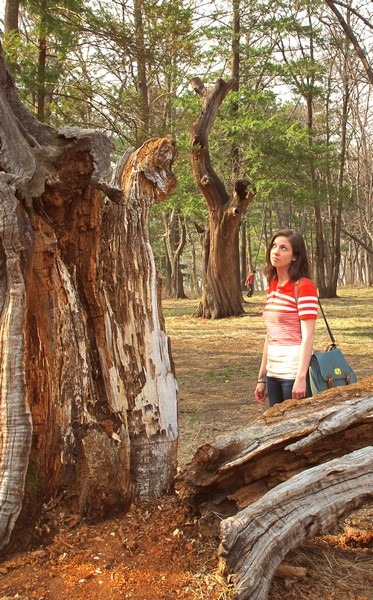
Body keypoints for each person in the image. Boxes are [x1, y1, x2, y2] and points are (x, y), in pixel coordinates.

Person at [254, 229, 318, 407]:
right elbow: (270, 334)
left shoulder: (304, 286)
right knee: (276, 427)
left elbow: (308, 336)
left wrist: (301, 377)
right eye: (274, 246)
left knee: (298, 428)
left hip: (293, 372)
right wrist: (262, 378)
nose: (276, 251)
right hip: (273, 372)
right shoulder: (273, 285)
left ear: (295, 256)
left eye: (283, 248)